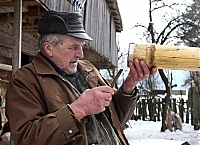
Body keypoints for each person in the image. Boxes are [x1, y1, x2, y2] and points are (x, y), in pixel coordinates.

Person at [5, 10, 157, 145]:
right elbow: (26, 138)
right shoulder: (25, 80)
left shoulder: (88, 69)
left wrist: (129, 86)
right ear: (48, 48)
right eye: (73, 47)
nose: (81, 54)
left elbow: (116, 121)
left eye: (82, 46)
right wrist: (79, 109)